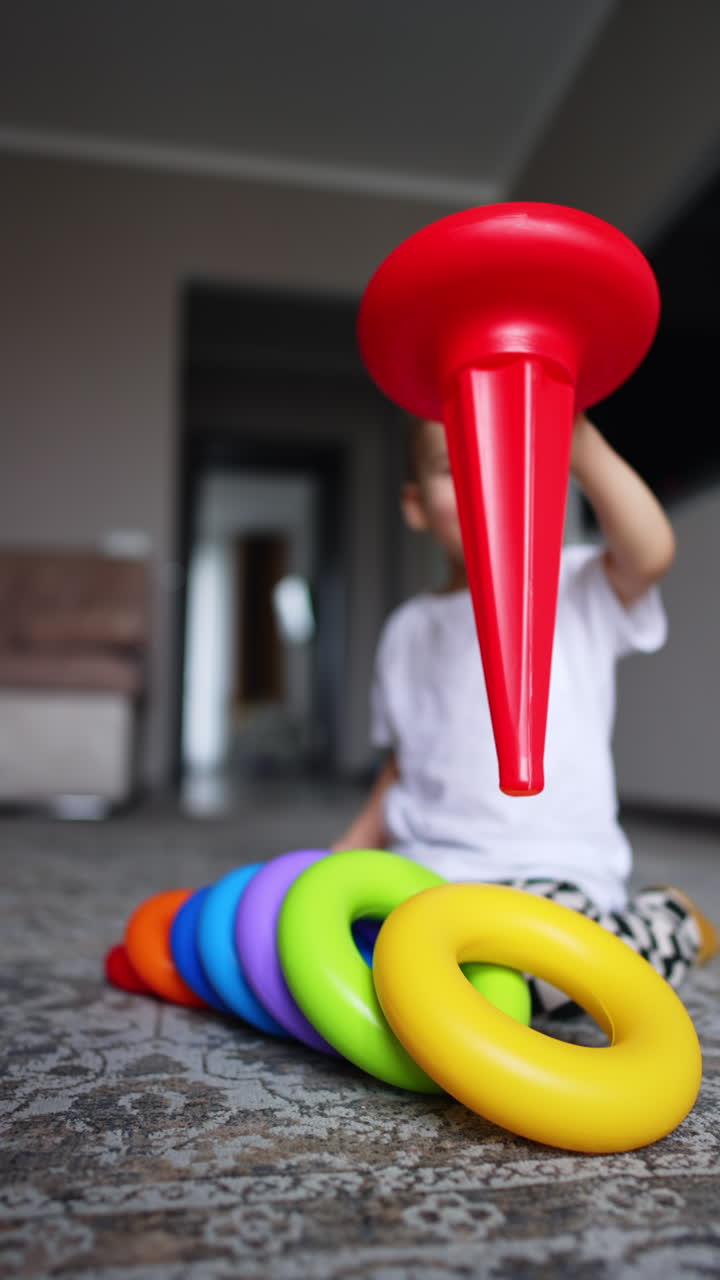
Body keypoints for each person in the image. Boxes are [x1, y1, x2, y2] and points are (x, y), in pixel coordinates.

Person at [333, 411, 717, 1010]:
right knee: (374, 961)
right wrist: (338, 864)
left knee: (545, 977)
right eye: (451, 468)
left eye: (503, 462)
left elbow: (650, 553)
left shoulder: (575, 584)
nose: (481, 482)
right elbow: (400, 769)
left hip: (554, 872)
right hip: (430, 871)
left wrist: (578, 437)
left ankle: (669, 920)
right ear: (415, 506)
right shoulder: (406, 631)